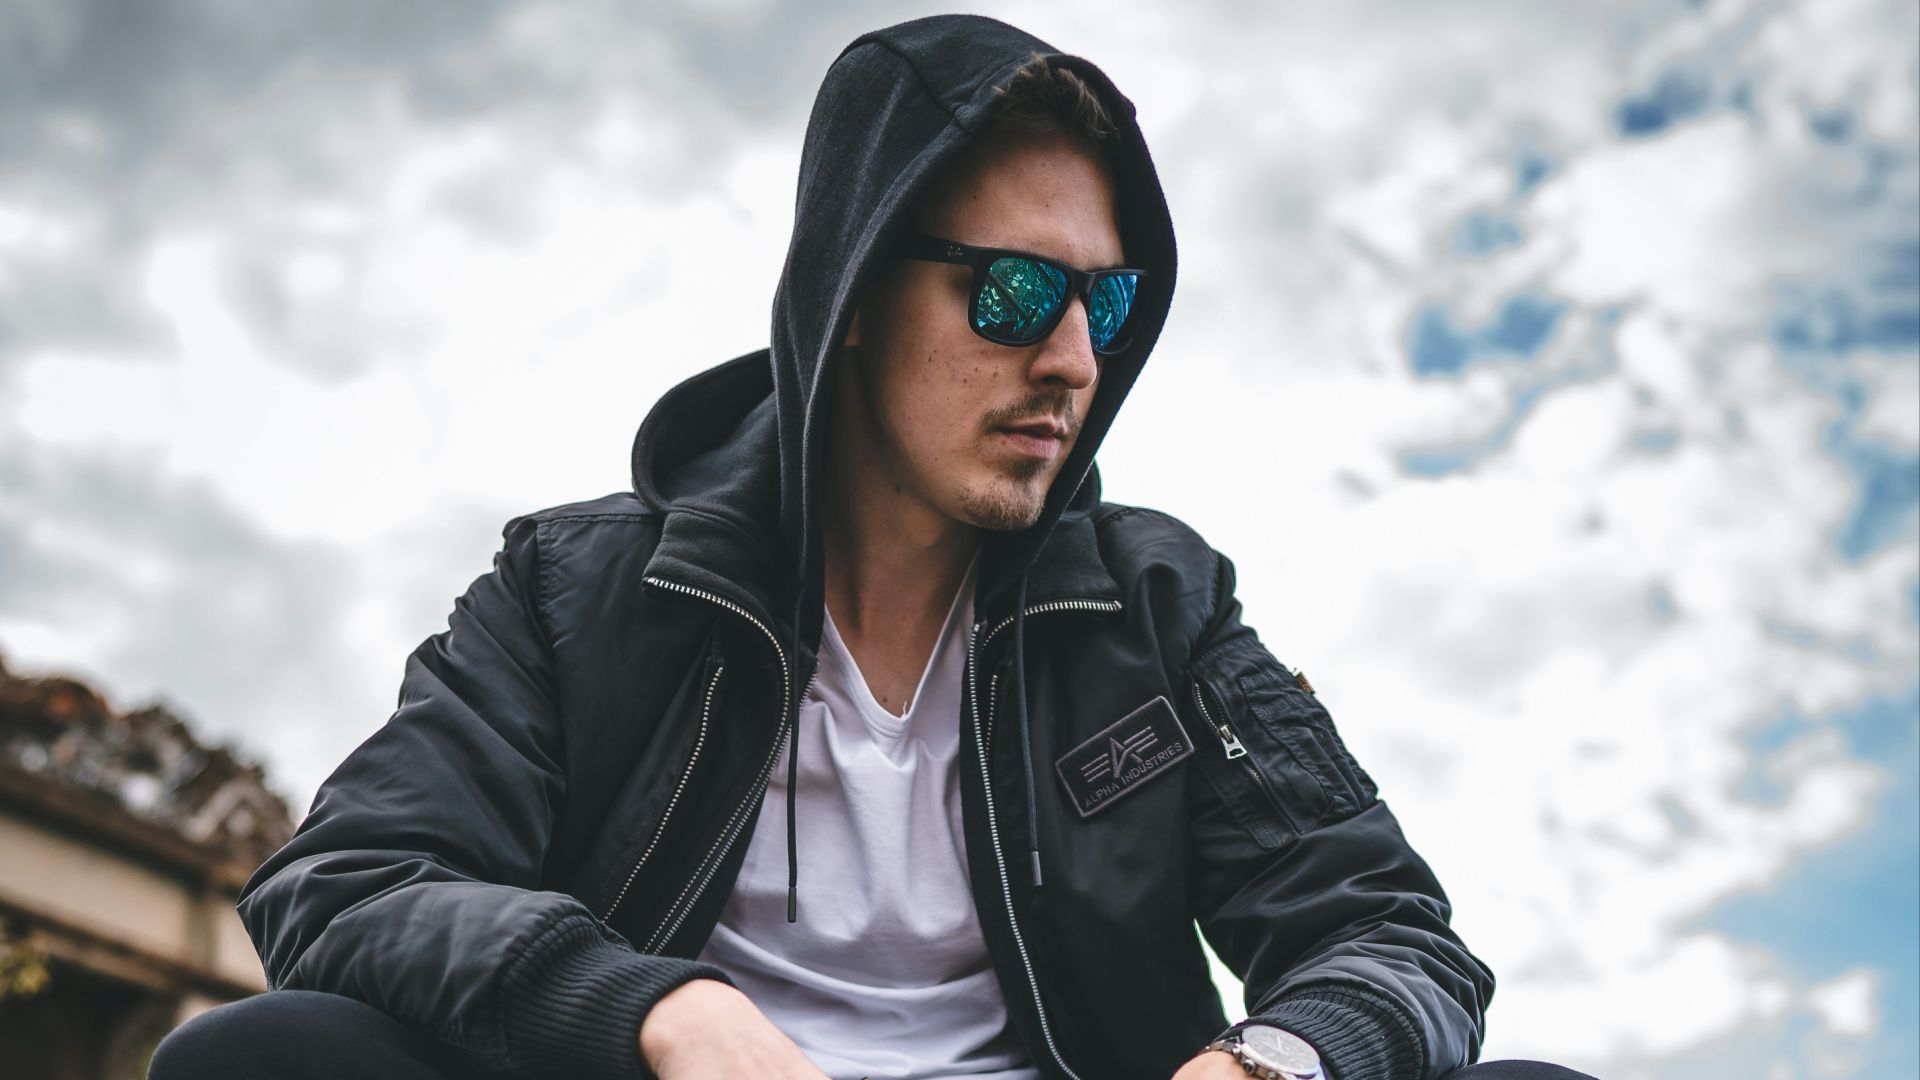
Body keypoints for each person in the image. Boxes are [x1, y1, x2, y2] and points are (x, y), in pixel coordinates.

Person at [152, 14, 1598, 1080]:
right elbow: (346, 884)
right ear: (851, 290)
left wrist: (1268, 1066)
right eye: (1019, 291)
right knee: (265, 1060)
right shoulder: (578, 590)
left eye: (1110, 299)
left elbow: (1393, 934)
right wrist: (658, 1010)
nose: (1076, 361)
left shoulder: (1159, 611)